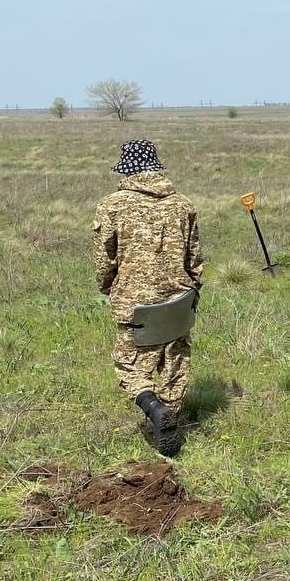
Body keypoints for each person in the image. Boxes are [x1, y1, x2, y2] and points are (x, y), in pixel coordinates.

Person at [93, 139, 204, 457]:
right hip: (178, 299)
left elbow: (105, 260)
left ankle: (155, 410)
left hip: (135, 304)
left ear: (127, 170)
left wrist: (107, 287)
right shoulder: (183, 204)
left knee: (129, 367)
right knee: (174, 366)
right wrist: (194, 290)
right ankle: (170, 432)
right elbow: (194, 257)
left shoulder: (112, 205)